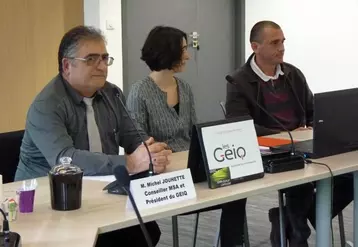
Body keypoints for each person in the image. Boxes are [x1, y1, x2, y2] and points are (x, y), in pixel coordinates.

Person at [15, 25, 172, 247]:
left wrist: (150, 154)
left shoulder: (112, 93)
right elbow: (64, 161)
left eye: (105, 58)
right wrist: (129, 162)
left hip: (98, 193)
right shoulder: (46, 105)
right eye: (91, 59)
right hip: (48, 204)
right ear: (67, 65)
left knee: (146, 232)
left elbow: (133, 136)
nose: (102, 66)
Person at [225, 20, 353, 247]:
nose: (282, 47)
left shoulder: (293, 74)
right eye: (275, 42)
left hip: (300, 145)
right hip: (268, 151)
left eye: (283, 41)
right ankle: (297, 236)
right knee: (301, 181)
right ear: (255, 47)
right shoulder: (239, 81)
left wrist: (315, 127)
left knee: (349, 174)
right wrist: (287, 135)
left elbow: (314, 111)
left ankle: (304, 214)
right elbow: (240, 126)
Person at [127, 25, 247, 247]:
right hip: (163, 173)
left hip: (190, 166)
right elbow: (139, 142)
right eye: (183, 49)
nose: (188, 55)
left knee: (235, 185)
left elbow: (195, 132)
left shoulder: (185, 88)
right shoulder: (139, 92)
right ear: (167, 52)